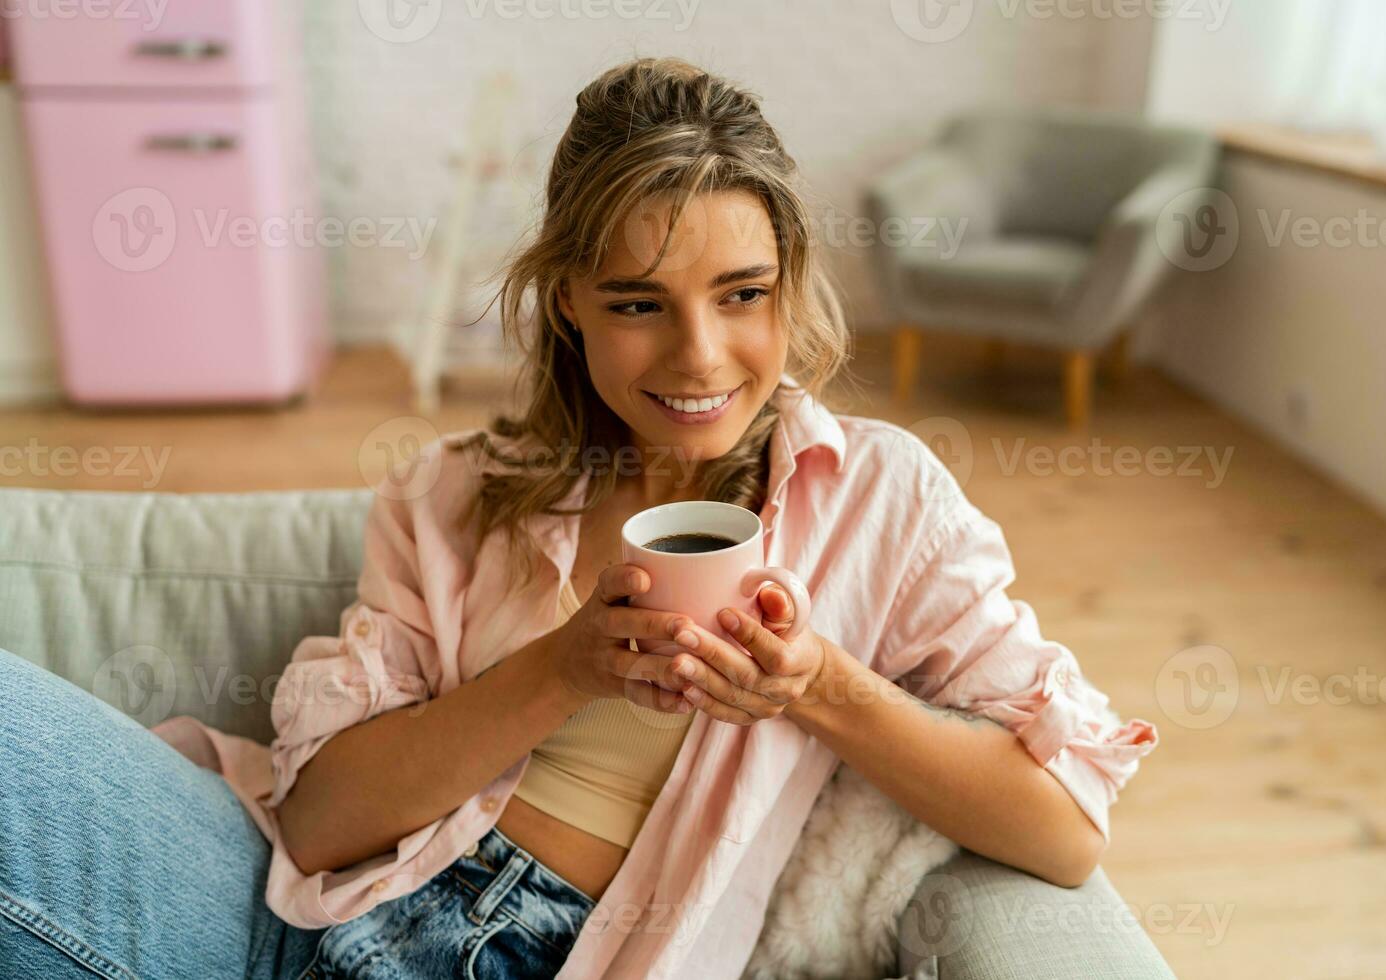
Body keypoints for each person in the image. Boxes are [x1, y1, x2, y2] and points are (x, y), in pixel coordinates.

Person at [0, 56, 1158, 979]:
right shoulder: (459, 488)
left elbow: (1063, 831)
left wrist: (817, 684)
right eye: (639, 303)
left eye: (743, 295)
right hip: (291, 915)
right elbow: (316, 825)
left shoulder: (881, 498)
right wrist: (564, 666)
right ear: (569, 299)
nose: (701, 356)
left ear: (790, 284)